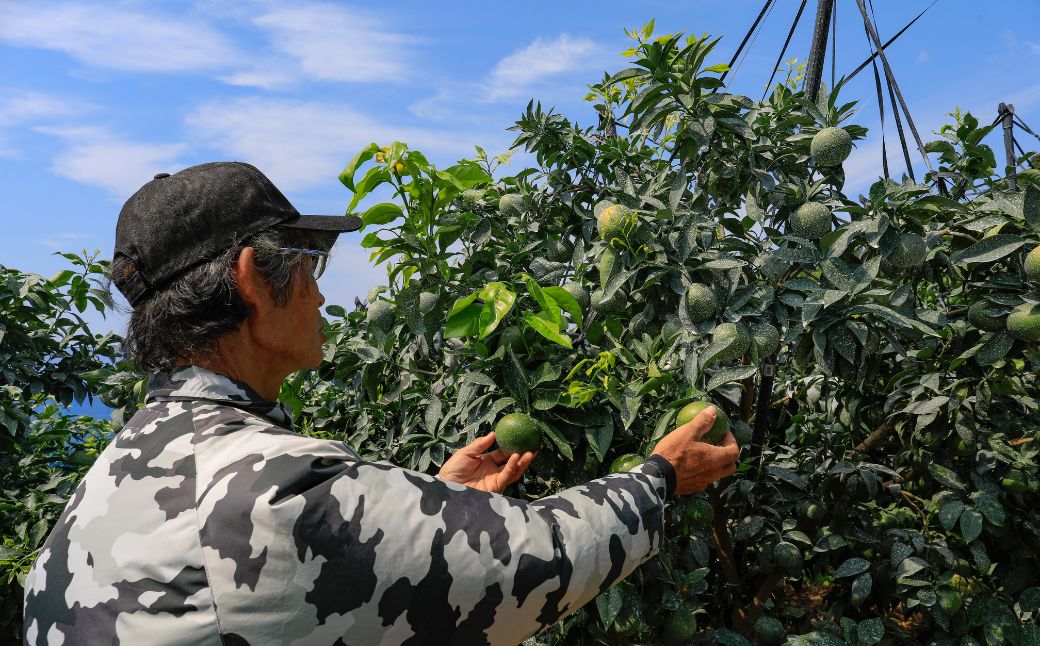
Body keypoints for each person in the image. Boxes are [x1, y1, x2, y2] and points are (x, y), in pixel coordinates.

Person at [22, 162, 740, 645]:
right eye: (309, 263)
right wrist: (659, 479)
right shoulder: (272, 490)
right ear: (251, 279)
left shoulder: (113, 472)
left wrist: (441, 502)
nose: (321, 293)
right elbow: (537, 561)